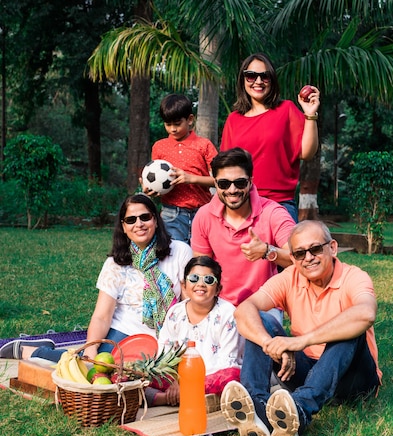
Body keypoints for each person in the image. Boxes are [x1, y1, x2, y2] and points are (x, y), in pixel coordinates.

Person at [220, 220, 382, 436]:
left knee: (349, 329)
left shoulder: (354, 277)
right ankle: (257, 408)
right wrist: (271, 344)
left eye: (315, 249)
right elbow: (244, 310)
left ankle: (299, 410)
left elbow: (366, 313)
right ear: (293, 258)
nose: (308, 258)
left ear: (332, 247)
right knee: (262, 320)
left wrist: (300, 341)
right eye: (299, 253)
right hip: (306, 371)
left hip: (353, 380)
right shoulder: (290, 278)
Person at [1, 194, 192, 369]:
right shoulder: (115, 264)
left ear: (156, 220)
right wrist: (90, 349)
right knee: (96, 369)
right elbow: (102, 316)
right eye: (131, 220)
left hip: (169, 335)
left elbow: (189, 304)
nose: (139, 224)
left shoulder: (180, 252)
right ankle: (33, 352)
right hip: (125, 333)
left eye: (145, 217)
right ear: (124, 227)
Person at [220, 52, 320, 221]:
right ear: (243, 80)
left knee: (281, 249)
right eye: (251, 76)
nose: (258, 81)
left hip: (280, 205)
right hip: (242, 206)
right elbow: (225, 170)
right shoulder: (233, 120)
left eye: (264, 76)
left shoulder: (286, 109)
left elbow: (307, 153)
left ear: (272, 80)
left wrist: (310, 115)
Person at [191, 147, 296, 307]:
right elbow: (202, 269)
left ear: (251, 181)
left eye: (240, 183)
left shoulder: (273, 212)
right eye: (224, 184)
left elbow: (300, 258)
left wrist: (268, 251)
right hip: (220, 306)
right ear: (215, 183)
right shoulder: (204, 216)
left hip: (263, 306)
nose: (232, 190)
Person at [148, 256, 244, 406]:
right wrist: (173, 381)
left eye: (209, 280)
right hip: (179, 377)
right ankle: (184, 397)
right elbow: (164, 353)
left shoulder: (228, 314)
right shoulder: (175, 312)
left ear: (218, 289)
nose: (200, 284)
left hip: (213, 377)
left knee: (232, 376)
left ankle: (167, 398)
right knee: (140, 373)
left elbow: (227, 361)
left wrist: (188, 386)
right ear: (184, 286)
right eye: (194, 278)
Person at [146, 93, 218, 243]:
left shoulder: (204, 145)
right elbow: (157, 181)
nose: (172, 129)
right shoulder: (159, 147)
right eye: (168, 124)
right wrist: (150, 190)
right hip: (171, 213)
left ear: (190, 120)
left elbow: (220, 180)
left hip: (203, 211)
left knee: (202, 257)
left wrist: (191, 178)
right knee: (174, 255)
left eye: (177, 124)